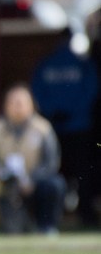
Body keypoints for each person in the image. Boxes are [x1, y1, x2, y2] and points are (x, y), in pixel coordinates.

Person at [30, 31, 99, 226]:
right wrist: (72, 112)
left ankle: (53, 218)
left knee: (58, 173)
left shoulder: (48, 63)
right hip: (76, 126)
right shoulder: (82, 64)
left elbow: (38, 92)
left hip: (60, 125)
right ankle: (84, 216)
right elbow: (91, 92)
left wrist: (54, 112)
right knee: (76, 174)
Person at [0, 83, 65, 235]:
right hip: (6, 183)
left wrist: (32, 179)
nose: (17, 106)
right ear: (5, 105)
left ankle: (47, 226)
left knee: (55, 184)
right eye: (13, 102)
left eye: (21, 102)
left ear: (31, 105)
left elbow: (52, 162)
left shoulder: (43, 128)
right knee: (13, 231)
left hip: (36, 182)